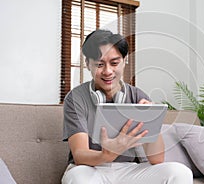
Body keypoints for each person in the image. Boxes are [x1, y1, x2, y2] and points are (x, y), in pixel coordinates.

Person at [61, 29, 193, 184]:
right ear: (87, 64)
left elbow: (157, 159)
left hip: (128, 170)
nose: (108, 71)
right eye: (99, 64)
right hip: (90, 169)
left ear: (124, 61)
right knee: (77, 179)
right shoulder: (75, 98)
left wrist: (152, 120)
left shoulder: (138, 96)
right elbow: (80, 155)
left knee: (179, 172)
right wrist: (107, 154)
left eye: (114, 63)